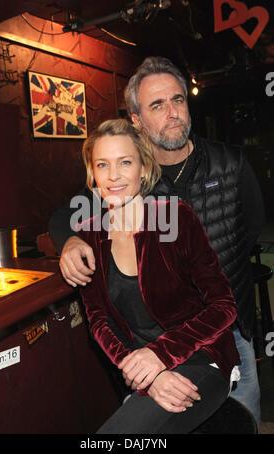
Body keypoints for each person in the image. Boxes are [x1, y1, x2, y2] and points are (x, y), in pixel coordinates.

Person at [49, 56, 265, 427]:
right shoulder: (119, 187)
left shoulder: (228, 162)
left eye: (178, 100)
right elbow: (64, 217)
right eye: (157, 104)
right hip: (147, 355)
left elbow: (254, 228)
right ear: (137, 120)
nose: (173, 112)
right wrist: (69, 241)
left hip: (226, 330)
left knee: (243, 418)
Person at [73, 117, 239, 434]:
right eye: (102, 164)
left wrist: (161, 355)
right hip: (141, 368)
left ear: (143, 169)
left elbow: (224, 304)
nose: (114, 175)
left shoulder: (175, 217)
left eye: (125, 162)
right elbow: (98, 321)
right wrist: (146, 370)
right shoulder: (89, 234)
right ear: (92, 174)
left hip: (199, 356)